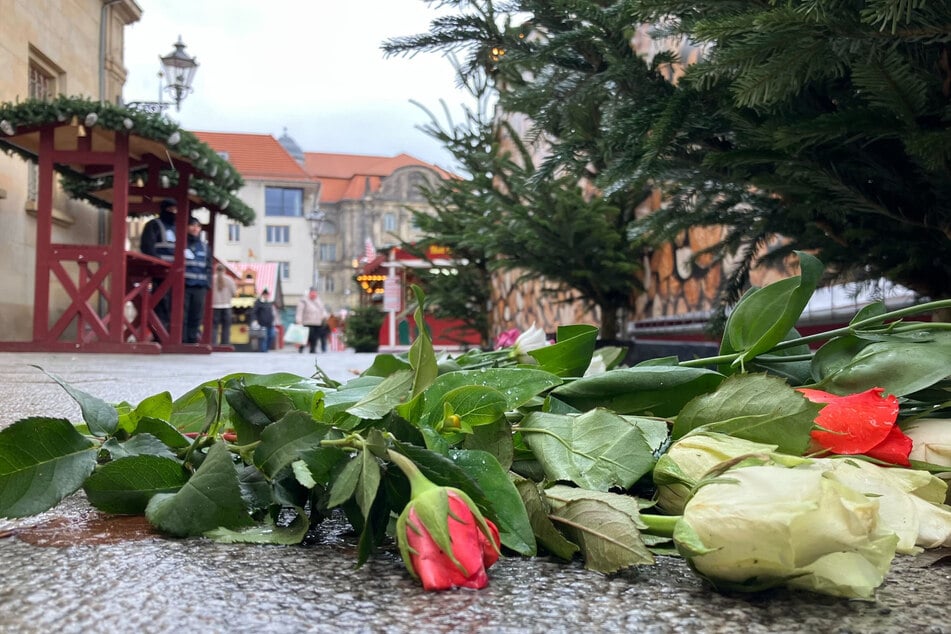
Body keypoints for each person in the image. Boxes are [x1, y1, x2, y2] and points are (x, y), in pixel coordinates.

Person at [139, 199, 177, 330]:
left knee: (174, 306)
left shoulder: (179, 227)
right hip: (159, 273)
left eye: (175, 210)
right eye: (171, 210)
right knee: (161, 304)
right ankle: (160, 334)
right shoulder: (154, 225)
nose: (174, 213)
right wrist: (157, 264)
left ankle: (170, 333)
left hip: (176, 274)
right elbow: (147, 247)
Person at [182, 217, 211, 344]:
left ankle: (192, 339)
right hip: (185, 285)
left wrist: (208, 284)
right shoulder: (181, 244)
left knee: (196, 315)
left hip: (200, 287)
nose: (195, 228)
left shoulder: (204, 247)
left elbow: (209, 267)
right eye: (192, 225)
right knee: (183, 314)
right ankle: (182, 339)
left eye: (198, 226)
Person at [295, 288, 329, 353]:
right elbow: (299, 311)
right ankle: (301, 347)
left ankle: (313, 349)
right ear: (309, 293)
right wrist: (298, 320)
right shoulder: (303, 301)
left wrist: (325, 316)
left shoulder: (319, 301)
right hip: (307, 322)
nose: (313, 294)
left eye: (315, 293)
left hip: (318, 322)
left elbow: (323, 310)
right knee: (307, 336)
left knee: (315, 337)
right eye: (312, 293)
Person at [211, 263, 237, 345]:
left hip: (214, 306)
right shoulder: (229, 280)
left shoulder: (212, 279)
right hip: (226, 306)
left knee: (214, 327)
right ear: (224, 270)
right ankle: (225, 344)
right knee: (226, 327)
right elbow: (234, 293)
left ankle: (213, 343)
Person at [251, 288, 278, 352]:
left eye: (267, 294)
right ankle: (264, 352)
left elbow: (273, 312)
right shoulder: (258, 302)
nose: (266, 296)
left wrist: (275, 320)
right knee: (263, 338)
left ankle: (267, 349)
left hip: (270, 324)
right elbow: (254, 312)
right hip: (262, 324)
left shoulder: (270, 302)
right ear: (262, 295)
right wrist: (255, 320)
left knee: (271, 336)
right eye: (264, 294)